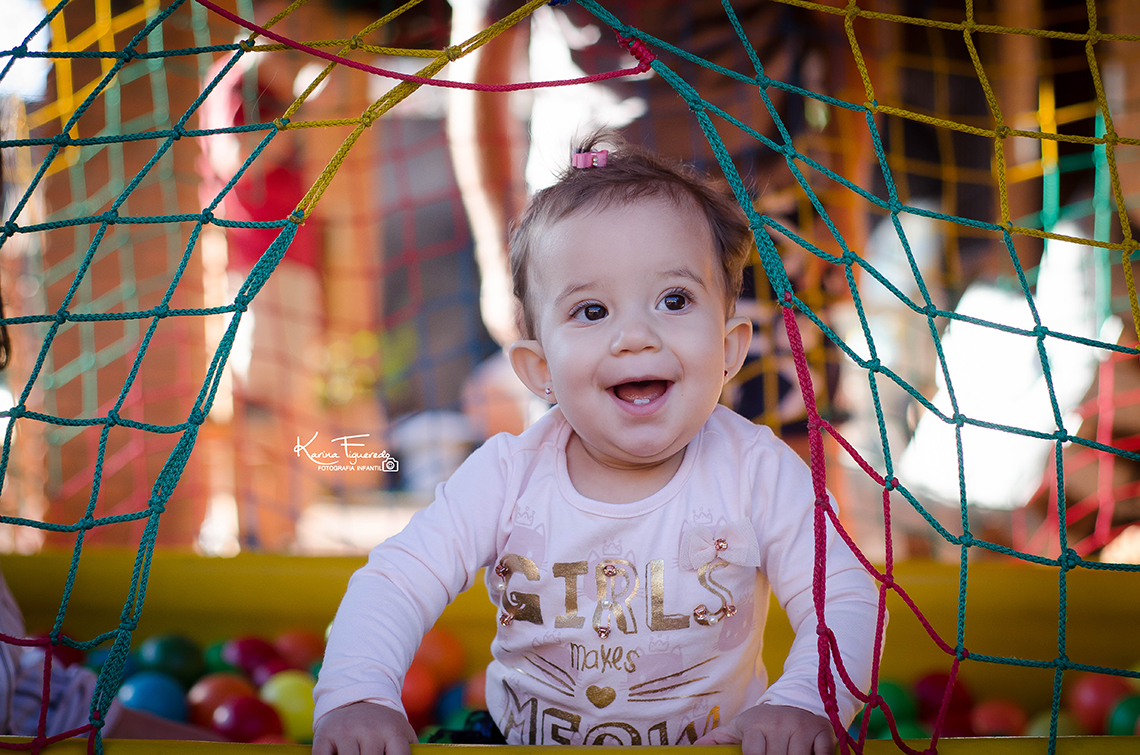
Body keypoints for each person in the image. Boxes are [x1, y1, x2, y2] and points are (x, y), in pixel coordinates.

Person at [312, 137, 881, 755]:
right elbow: (394, 581)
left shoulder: (758, 471)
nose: (635, 336)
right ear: (538, 370)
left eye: (674, 300)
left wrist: (801, 700)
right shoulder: (507, 477)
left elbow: (845, 594)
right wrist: (359, 696)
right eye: (590, 310)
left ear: (732, 348)